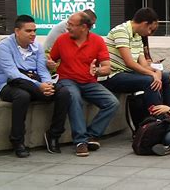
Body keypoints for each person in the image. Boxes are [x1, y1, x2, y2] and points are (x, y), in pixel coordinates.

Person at [0, 15, 70, 158]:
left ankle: (53, 135)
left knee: (64, 92)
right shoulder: (4, 46)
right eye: (28, 31)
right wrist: (39, 86)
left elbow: (42, 70)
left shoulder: (37, 46)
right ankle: (17, 140)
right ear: (17, 31)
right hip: (7, 84)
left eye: (34, 30)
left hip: (33, 83)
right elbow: (12, 73)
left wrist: (48, 84)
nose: (33, 34)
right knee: (22, 95)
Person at [49, 11, 119, 157]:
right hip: (66, 80)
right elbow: (52, 59)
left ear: (84, 27)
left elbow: (107, 67)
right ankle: (80, 142)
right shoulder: (62, 39)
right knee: (74, 97)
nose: (68, 27)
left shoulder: (97, 41)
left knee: (112, 102)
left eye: (72, 25)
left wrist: (98, 71)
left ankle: (92, 135)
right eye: (68, 24)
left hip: (89, 82)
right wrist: (50, 64)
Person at [101, 7, 170, 119]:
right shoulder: (121, 31)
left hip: (128, 74)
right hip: (113, 75)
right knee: (149, 81)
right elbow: (129, 62)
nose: (150, 33)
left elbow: (143, 64)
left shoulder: (137, 36)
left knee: (167, 77)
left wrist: (157, 71)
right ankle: (160, 120)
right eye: (150, 29)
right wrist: (152, 74)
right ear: (144, 24)